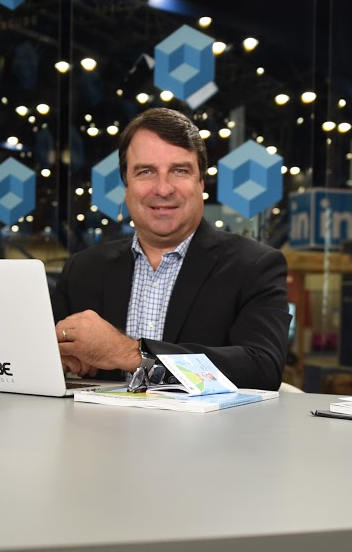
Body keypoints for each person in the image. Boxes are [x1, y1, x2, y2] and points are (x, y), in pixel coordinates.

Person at [51, 107, 290, 390]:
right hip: (98, 420)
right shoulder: (83, 269)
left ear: (200, 183)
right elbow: (43, 357)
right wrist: (58, 357)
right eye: (146, 171)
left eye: (179, 170)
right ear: (126, 186)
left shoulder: (255, 266)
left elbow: (263, 369)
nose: (163, 189)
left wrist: (129, 353)